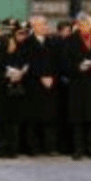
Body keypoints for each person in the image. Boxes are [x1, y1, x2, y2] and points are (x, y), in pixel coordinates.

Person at [62, 12, 91, 160]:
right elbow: (64, 62)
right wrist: (78, 67)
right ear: (77, 25)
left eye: (87, 24)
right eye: (82, 24)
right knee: (77, 119)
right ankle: (78, 149)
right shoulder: (70, 39)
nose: (85, 27)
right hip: (78, 84)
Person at [21, 15, 59, 156]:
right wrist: (40, 76)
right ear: (33, 27)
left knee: (50, 117)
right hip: (34, 85)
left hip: (51, 84)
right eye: (41, 24)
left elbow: (58, 61)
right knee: (33, 118)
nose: (44, 27)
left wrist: (52, 77)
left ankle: (50, 146)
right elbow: (26, 63)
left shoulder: (53, 42)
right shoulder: (27, 43)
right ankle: (33, 147)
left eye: (45, 24)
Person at [0, 26, 28, 158]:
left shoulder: (18, 57)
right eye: (10, 44)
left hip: (15, 95)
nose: (12, 46)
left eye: (13, 43)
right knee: (1, 123)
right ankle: (0, 148)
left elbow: (24, 70)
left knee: (14, 122)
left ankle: (13, 148)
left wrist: (19, 74)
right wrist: (6, 75)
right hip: (1, 95)